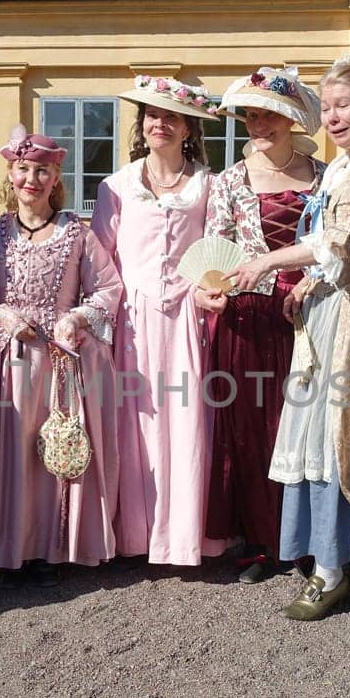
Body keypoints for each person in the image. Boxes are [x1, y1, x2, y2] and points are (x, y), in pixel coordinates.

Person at [228, 55, 350, 620]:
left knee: (346, 434)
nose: (334, 117)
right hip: (330, 306)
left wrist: (271, 263)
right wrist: (308, 284)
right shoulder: (344, 166)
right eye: (329, 107)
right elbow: (329, 246)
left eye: (345, 105)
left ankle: (344, 570)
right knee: (323, 434)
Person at [0, 127, 124, 585]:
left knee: (56, 449)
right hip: (9, 364)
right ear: (11, 175)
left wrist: (80, 317)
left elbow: (108, 288)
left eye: (42, 171)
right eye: (24, 169)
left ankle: (51, 548)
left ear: (55, 178)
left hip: (62, 361)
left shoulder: (78, 235)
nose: (32, 178)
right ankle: (10, 549)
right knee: (12, 455)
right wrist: (2, 315)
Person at [195, 66, 326, 584]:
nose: (258, 124)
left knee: (308, 428)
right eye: (251, 115)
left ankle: (309, 539)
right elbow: (215, 249)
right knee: (250, 432)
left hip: (310, 314)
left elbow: (333, 245)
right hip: (248, 318)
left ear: (291, 119)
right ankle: (259, 540)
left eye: (268, 114)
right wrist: (209, 289)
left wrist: (310, 285)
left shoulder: (322, 176)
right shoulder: (230, 180)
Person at [91, 75, 221, 567]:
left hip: (189, 317)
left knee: (189, 421)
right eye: (151, 114)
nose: (158, 123)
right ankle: (135, 536)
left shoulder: (209, 184)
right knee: (134, 421)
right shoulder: (115, 186)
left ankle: (185, 538)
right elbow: (100, 262)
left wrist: (212, 289)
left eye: (169, 115)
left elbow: (217, 250)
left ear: (188, 127)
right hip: (133, 319)